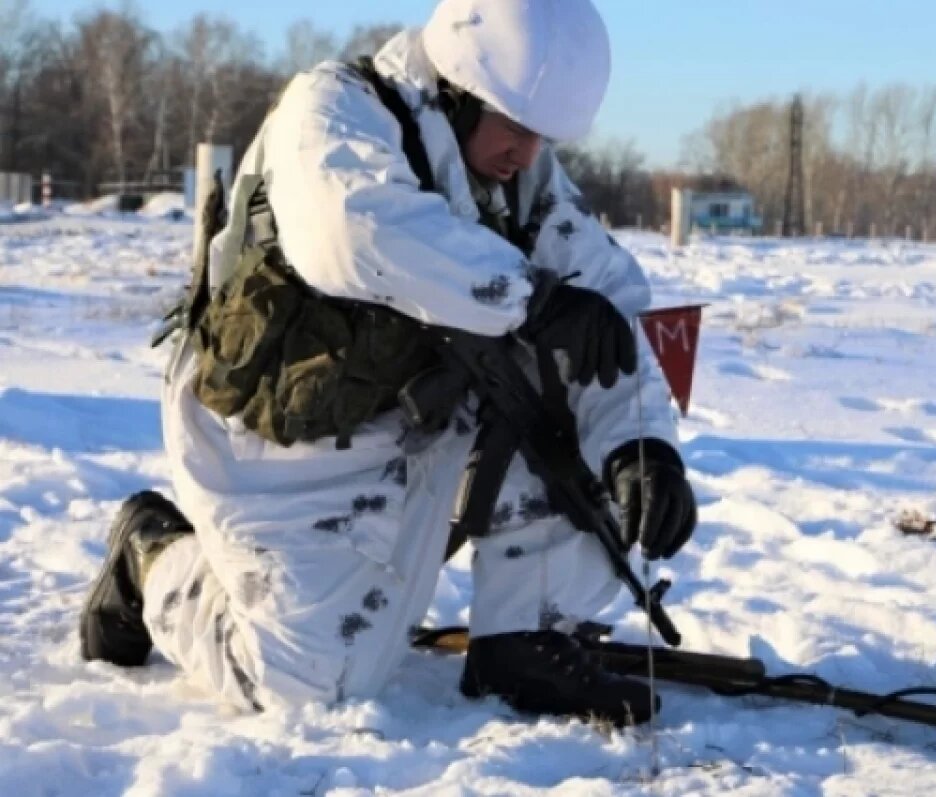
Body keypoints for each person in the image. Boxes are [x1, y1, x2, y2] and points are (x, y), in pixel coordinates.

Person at [79, 0, 696, 726]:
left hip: (416, 432)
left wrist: (645, 443)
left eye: (544, 137)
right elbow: (348, 233)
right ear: (461, 90)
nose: (529, 156)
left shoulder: (520, 177)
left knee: (587, 360)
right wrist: (533, 297)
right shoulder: (335, 110)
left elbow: (612, 303)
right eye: (519, 129)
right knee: (307, 682)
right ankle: (151, 552)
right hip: (276, 446)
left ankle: (525, 633)